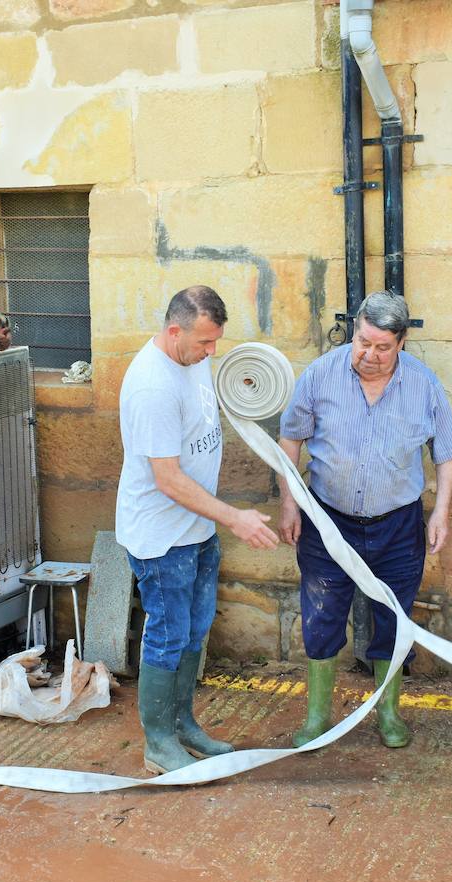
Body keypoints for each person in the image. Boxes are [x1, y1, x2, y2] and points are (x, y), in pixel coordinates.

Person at [278, 290, 452, 749]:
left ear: (401, 343)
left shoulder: (423, 383)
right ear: (356, 328)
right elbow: (290, 439)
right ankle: (318, 716)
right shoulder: (321, 374)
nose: (370, 355)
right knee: (321, 617)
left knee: (393, 620)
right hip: (327, 521)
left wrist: (440, 511)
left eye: (383, 347)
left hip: (398, 525)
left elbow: (447, 451)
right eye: (363, 342)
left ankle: (389, 713)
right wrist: (289, 503)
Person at [116, 285, 280, 774]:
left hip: (196, 530)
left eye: (216, 342)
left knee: (194, 631)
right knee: (166, 635)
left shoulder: (192, 359)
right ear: (173, 331)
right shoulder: (152, 386)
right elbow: (167, 479)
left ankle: (184, 723)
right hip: (161, 537)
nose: (212, 352)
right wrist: (235, 517)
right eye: (205, 343)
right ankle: (158, 740)